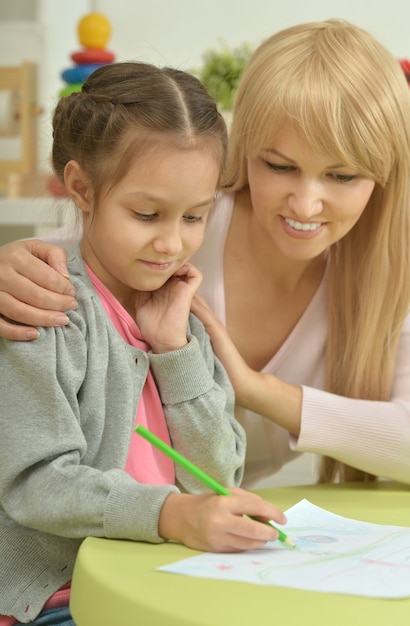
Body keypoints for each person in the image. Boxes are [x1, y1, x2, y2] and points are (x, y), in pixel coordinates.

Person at [1, 19, 410, 491]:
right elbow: (73, 252)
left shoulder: (396, 273)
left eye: (342, 177)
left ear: (385, 175)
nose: (304, 205)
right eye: (279, 166)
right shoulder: (185, 221)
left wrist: (255, 388)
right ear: (244, 151)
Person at [0, 62, 288, 626]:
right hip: (62, 600)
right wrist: (174, 515)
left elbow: (219, 474)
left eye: (196, 217)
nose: (172, 243)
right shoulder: (44, 309)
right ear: (82, 188)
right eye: (147, 214)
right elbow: (36, 484)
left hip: (167, 584)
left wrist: (174, 352)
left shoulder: (184, 321)